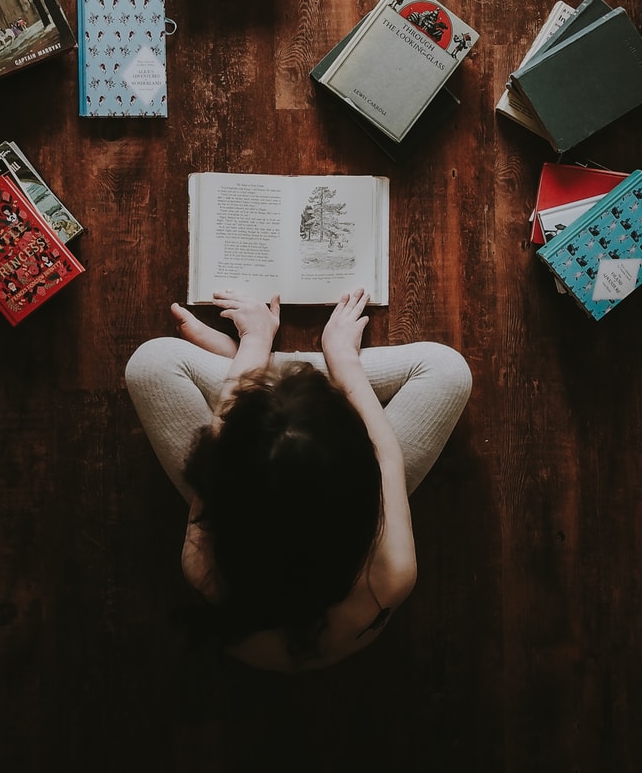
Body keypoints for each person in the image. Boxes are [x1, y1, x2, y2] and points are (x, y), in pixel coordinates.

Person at [124, 288, 471, 672]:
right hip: (337, 494)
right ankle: (286, 382)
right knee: (447, 370)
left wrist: (254, 345)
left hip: (259, 476)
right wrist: (342, 358)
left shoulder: (203, 568)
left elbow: (222, 440)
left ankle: (268, 377)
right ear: (360, 477)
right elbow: (387, 457)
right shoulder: (391, 573)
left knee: (151, 364)